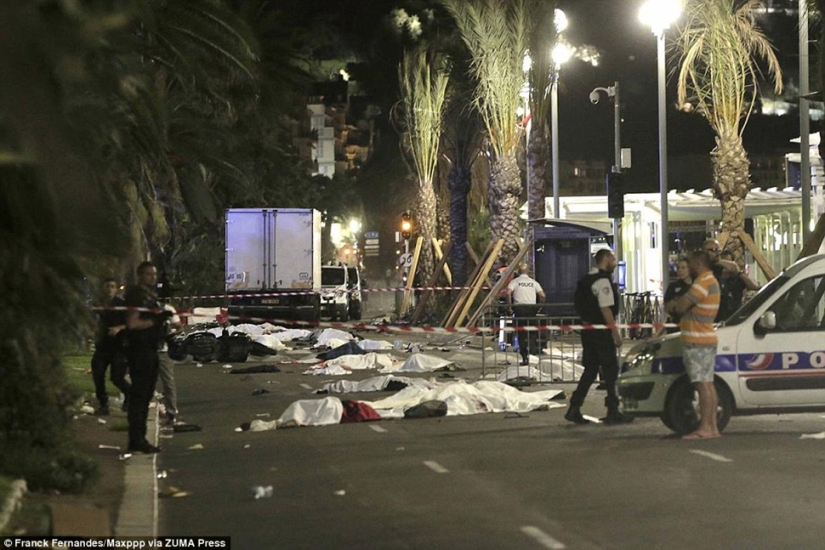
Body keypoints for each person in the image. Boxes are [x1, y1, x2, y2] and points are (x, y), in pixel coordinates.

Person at [566, 249, 632, 425]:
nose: (615, 262)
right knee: (610, 371)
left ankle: (574, 407)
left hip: (588, 330)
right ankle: (613, 410)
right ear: (605, 260)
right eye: (613, 259)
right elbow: (605, 309)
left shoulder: (585, 280)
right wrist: (615, 332)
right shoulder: (602, 281)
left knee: (590, 370)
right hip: (601, 332)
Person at [665, 249, 721, 440]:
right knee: (708, 384)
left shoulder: (702, 282)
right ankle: (712, 426)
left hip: (697, 340)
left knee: (702, 384)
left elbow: (680, 306)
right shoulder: (711, 281)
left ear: (697, 264)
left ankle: (705, 427)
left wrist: (677, 303)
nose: (688, 267)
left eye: (690, 264)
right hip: (705, 338)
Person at [123, 261, 170, 454]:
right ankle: (137, 439)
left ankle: (140, 437)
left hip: (151, 348)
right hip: (140, 350)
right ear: (140, 275)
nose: (153, 277)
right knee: (140, 396)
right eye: (149, 274)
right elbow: (133, 324)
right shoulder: (136, 295)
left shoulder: (150, 296)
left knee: (145, 396)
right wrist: (155, 320)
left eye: (154, 274)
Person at [90, 278, 131, 415]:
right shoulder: (98, 304)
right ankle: (103, 404)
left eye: (112, 286)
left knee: (117, 377)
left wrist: (119, 328)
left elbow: (131, 323)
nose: (109, 289)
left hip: (118, 346)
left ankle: (130, 395)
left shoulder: (121, 305)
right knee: (98, 373)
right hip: (102, 345)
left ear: (116, 289)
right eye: (107, 286)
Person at [701, 238, 755, 322]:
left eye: (718, 250)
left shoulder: (734, 277)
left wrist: (738, 272)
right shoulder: (704, 272)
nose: (716, 253)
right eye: (713, 250)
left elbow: (753, 286)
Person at [506, 264, 546, 366]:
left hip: (519, 309)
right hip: (531, 309)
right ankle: (532, 352)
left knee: (521, 334)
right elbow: (543, 295)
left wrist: (510, 306)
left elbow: (508, 293)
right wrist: (539, 307)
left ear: (518, 272)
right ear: (528, 272)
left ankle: (524, 356)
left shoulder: (515, 282)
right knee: (532, 332)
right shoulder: (533, 283)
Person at [157, 303, 183, 426]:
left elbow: (179, 327)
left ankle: (171, 413)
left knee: (168, 383)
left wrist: (170, 336)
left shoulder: (167, 309)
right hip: (146, 350)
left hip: (163, 351)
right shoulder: (142, 307)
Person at [716, 250, 759, 321]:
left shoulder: (738, 278)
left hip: (735, 315)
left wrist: (739, 273)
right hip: (719, 316)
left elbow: (754, 286)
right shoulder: (716, 277)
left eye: (728, 262)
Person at [661, 258, 693, 334]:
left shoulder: (696, 284)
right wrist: (676, 301)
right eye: (678, 268)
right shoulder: (673, 286)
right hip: (676, 326)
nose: (680, 271)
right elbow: (666, 308)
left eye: (683, 268)